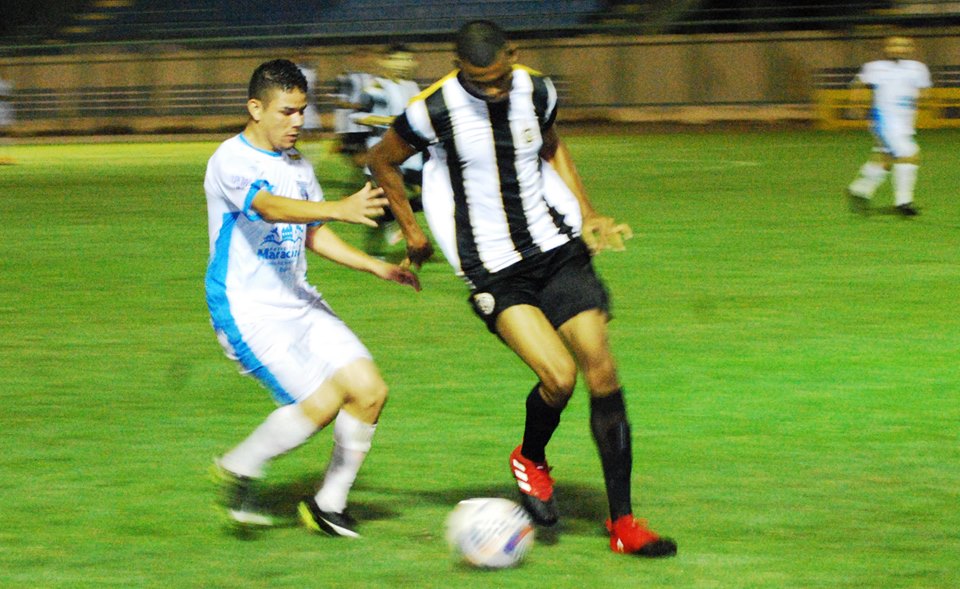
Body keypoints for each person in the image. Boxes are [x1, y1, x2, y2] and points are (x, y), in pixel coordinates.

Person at [366, 20, 677, 557]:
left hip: (556, 250)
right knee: (558, 377)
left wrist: (588, 211)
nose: (492, 90)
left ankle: (623, 524)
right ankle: (531, 458)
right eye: (478, 81)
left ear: (515, 54)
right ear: (457, 66)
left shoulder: (537, 88)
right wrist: (412, 229)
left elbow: (553, 146)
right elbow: (381, 159)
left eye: (499, 78)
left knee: (599, 364)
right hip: (493, 267)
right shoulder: (431, 109)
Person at [204, 59, 420, 538]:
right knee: (320, 402)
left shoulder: (298, 164)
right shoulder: (230, 160)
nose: (297, 122)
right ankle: (240, 465)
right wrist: (339, 207)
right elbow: (267, 206)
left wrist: (378, 266)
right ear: (255, 108)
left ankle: (328, 505)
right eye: (286, 112)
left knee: (369, 391)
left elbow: (312, 234)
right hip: (247, 309)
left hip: (298, 300)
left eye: (302, 111)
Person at [846, 35, 931, 216]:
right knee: (910, 154)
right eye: (894, 45)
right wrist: (856, 106)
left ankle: (859, 189)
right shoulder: (875, 67)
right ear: (886, 48)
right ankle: (903, 202)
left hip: (905, 123)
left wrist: (922, 98)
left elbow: (924, 90)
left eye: (903, 45)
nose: (898, 48)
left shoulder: (918, 68)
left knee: (885, 160)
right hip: (883, 119)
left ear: (910, 48)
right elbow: (858, 84)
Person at [352, 44, 424, 254]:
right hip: (382, 155)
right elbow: (355, 116)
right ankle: (374, 251)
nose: (403, 64)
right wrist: (388, 121)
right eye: (397, 60)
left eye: (406, 60)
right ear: (384, 61)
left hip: (409, 155)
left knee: (425, 196)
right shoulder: (376, 88)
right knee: (388, 199)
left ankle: (390, 217)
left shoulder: (411, 87)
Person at [331, 47, 376, 175]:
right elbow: (339, 101)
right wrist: (355, 105)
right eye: (359, 57)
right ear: (352, 59)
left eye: (366, 57)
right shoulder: (345, 78)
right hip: (352, 125)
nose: (363, 61)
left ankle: (364, 180)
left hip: (368, 125)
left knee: (365, 155)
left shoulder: (372, 78)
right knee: (355, 156)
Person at [0, 71, 15, 166]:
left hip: (6, 110)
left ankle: (7, 155)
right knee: (3, 133)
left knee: (6, 133)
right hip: (2, 110)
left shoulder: (7, 83)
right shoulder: (4, 83)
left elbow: (9, 97)